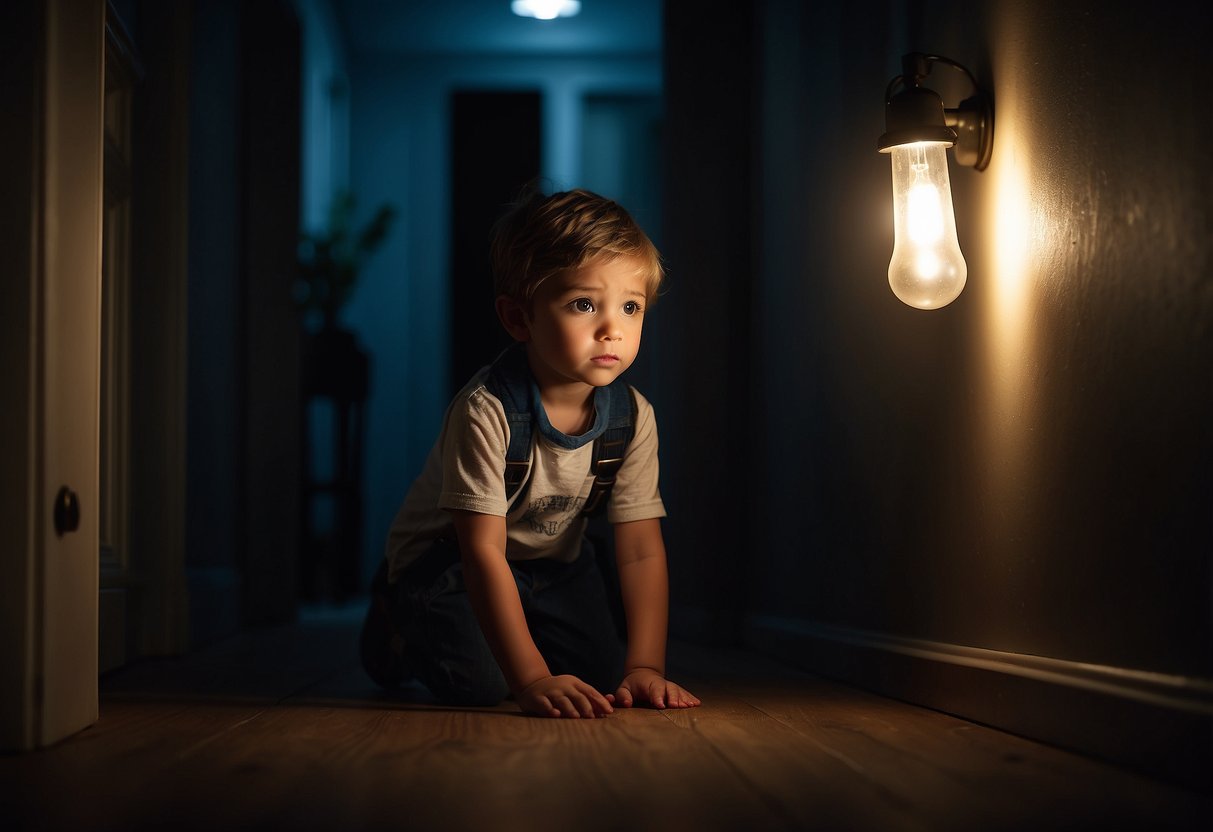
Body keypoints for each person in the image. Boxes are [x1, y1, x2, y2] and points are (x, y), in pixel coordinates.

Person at [360, 187, 700, 718]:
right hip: (450, 562)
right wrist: (533, 678)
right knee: (482, 683)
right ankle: (400, 623)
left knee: (604, 681)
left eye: (630, 307)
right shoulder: (486, 409)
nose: (612, 327)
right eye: (583, 304)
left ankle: (534, 635)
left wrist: (646, 667)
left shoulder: (632, 417)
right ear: (520, 319)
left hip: (553, 566)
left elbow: (640, 550)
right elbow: (482, 553)